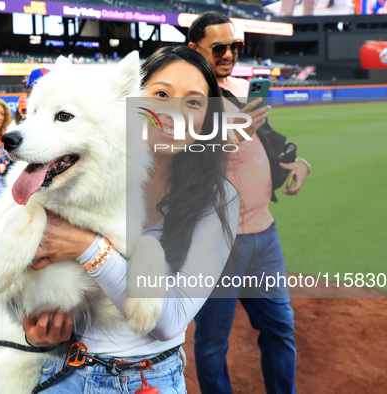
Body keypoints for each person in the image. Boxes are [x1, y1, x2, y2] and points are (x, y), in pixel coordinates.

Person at [21, 46, 240, 393]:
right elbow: (23, 280)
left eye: (194, 102)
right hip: (62, 368)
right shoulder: (66, 176)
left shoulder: (218, 197)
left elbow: (169, 323)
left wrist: (87, 248)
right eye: (161, 94)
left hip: (147, 379)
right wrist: (34, 328)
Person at [188, 11, 311, 394]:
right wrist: (241, 126)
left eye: (234, 46)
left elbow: (267, 140)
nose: (228, 54)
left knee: (280, 329)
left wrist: (297, 162)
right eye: (218, 47)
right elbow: (188, 159)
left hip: (264, 236)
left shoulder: (240, 87)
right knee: (211, 347)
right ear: (194, 49)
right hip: (217, 243)